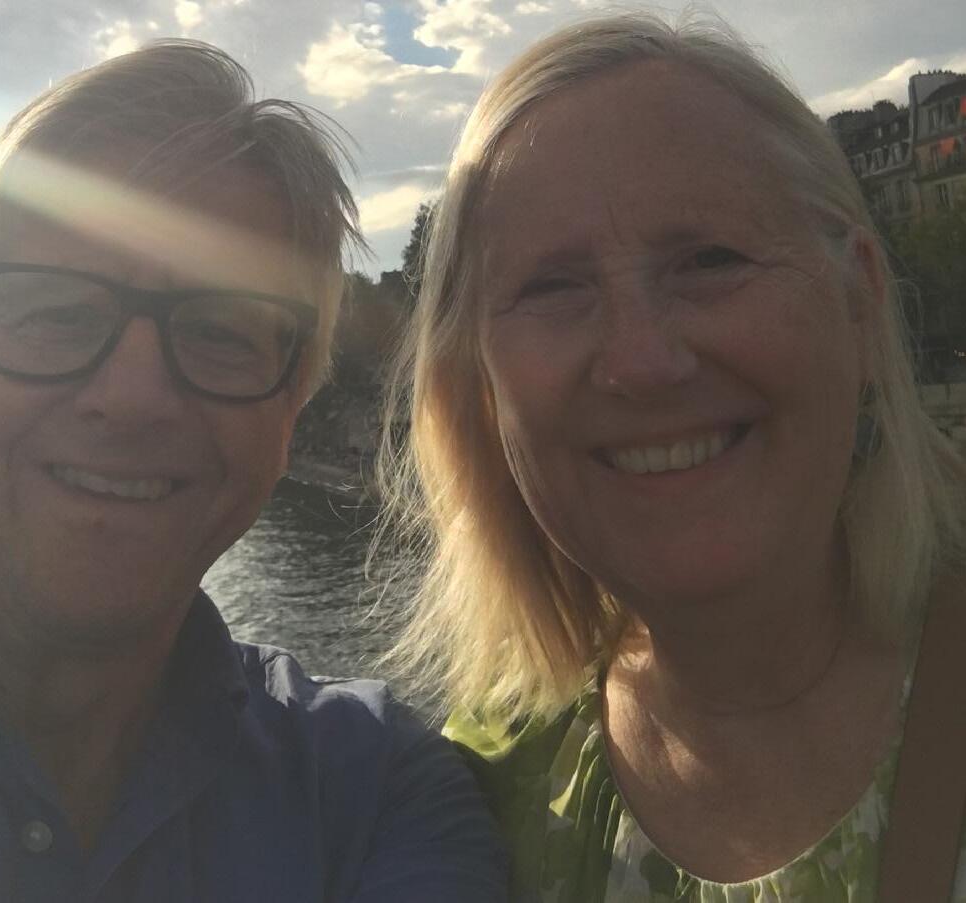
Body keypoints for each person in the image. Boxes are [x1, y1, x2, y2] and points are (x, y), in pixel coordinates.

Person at [376, 12, 966, 902]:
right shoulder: (468, 794)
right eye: (553, 286)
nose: (642, 360)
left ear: (858, 293)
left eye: (708, 259)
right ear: (479, 383)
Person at [0, 40, 505, 902]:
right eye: (58, 311)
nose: (133, 397)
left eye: (221, 331)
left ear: (290, 412)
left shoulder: (372, 791)